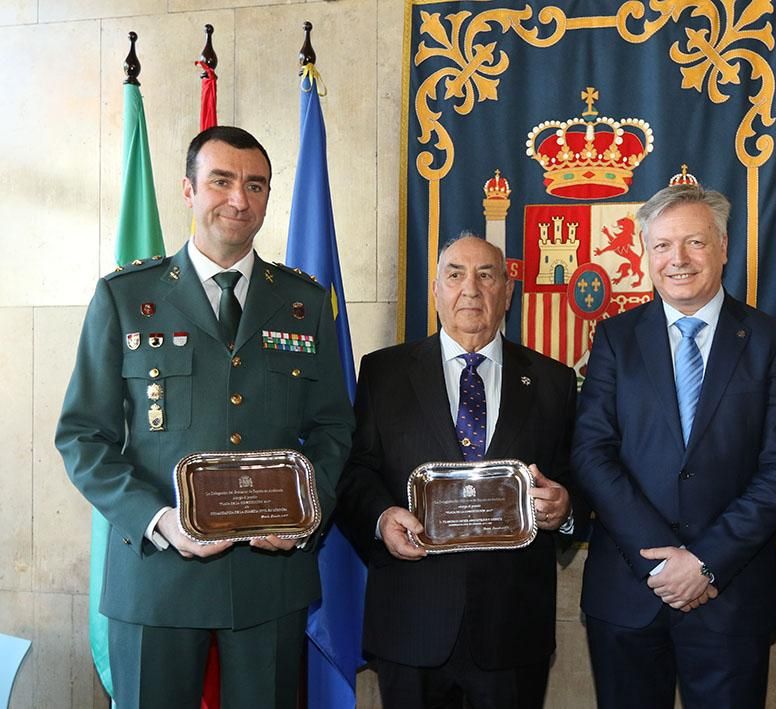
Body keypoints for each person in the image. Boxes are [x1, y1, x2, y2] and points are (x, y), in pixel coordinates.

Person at [54, 125, 355, 709]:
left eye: (255, 185)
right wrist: (159, 520)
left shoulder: (305, 303)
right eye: (221, 181)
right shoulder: (124, 297)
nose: (239, 199)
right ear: (188, 190)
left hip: (269, 582)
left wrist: (302, 513)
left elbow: (333, 429)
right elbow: (83, 437)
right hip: (157, 580)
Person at [571, 184, 776, 708]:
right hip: (629, 592)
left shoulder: (772, 341)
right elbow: (592, 452)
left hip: (730, 593)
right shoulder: (614, 337)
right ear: (645, 254)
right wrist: (660, 561)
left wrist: (704, 562)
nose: (677, 259)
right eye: (662, 245)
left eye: (695, 243)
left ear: (724, 247)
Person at [334, 234, 577, 709]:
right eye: (455, 274)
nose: (471, 288)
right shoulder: (383, 373)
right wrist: (383, 518)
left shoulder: (554, 381)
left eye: (486, 275)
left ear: (508, 292)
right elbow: (355, 472)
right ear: (436, 289)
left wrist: (564, 507)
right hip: (411, 621)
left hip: (512, 628)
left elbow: (578, 477)